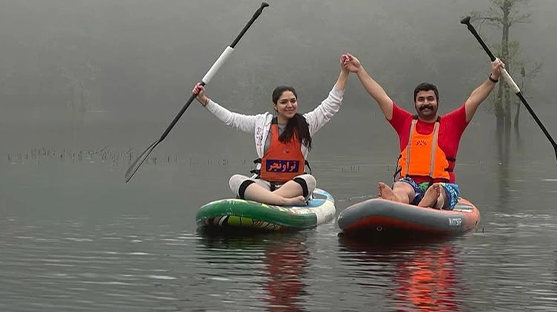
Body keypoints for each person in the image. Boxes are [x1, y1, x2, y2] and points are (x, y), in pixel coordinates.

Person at [341, 52, 504, 210]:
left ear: (437, 102)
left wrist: (493, 77)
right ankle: (397, 199)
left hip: (442, 184)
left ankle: (430, 202)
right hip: (410, 183)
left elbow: (474, 99)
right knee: (401, 187)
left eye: (430, 99)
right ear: (415, 104)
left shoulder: (453, 123)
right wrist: (359, 70)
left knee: (438, 192)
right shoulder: (404, 122)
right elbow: (380, 96)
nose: (426, 103)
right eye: (421, 100)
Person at [193, 56, 350, 206]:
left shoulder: (307, 123)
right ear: (275, 105)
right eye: (284, 102)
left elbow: (331, 104)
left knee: (309, 180)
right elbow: (231, 119)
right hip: (264, 183)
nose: (290, 105)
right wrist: (205, 101)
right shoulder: (262, 123)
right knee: (235, 180)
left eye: (293, 101)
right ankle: (281, 201)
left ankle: (265, 200)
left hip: (293, 186)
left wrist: (344, 72)